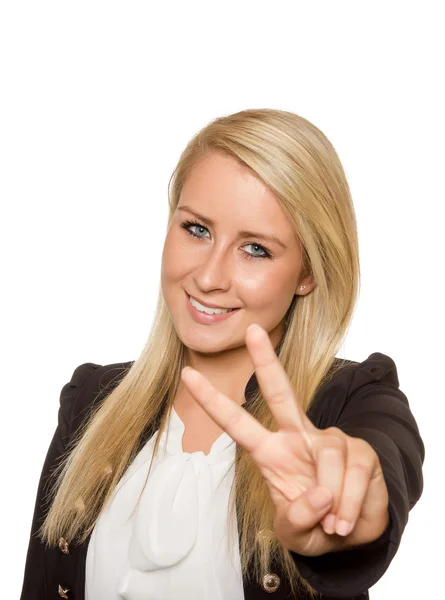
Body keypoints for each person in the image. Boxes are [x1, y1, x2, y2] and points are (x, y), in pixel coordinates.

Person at [19, 108, 425, 600]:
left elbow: (384, 452)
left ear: (307, 273)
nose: (209, 277)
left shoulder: (351, 397)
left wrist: (357, 502)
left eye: (255, 249)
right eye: (197, 229)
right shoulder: (91, 400)